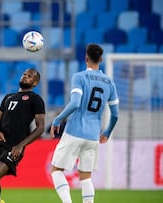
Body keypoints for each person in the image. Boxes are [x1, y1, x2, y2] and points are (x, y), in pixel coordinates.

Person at [49, 43, 119, 203]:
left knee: (56, 170)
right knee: (86, 177)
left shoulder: (79, 77)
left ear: (86, 58)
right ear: (101, 59)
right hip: (93, 135)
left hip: (74, 131)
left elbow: (75, 103)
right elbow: (115, 114)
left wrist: (58, 119)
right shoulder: (109, 83)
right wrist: (107, 132)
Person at [0, 68, 46, 203]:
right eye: (24, 74)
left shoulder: (36, 100)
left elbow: (40, 127)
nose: (25, 77)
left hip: (14, 146)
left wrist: (21, 146)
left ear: (35, 83)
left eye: (30, 76)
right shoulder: (8, 97)